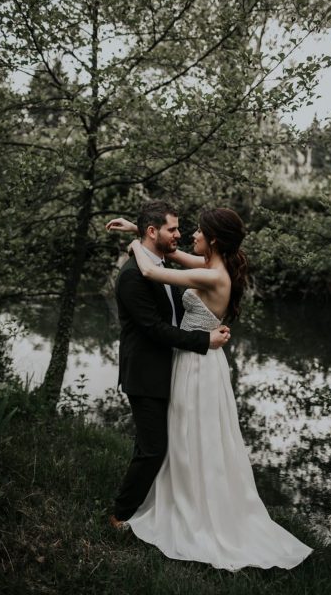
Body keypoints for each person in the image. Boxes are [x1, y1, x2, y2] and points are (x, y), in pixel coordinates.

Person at [109, 206, 313, 571]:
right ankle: (184, 498)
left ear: (214, 239)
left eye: (198, 231)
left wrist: (135, 245)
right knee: (186, 437)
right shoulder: (207, 266)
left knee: (195, 437)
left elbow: (152, 269)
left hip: (199, 364)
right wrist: (137, 231)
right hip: (192, 360)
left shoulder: (212, 276)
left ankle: (199, 508)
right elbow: (168, 253)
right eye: (180, 230)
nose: (191, 236)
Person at [106, 201, 230, 529]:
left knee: (162, 443)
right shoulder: (133, 275)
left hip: (174, 368)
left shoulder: (164, 263)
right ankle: (119, 515)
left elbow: (165, 257)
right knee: (153, 449)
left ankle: (168, 505)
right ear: (153, 231)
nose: (181, 234)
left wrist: (137, 231)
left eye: (181, 228)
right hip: (146, 372)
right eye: (173, 229)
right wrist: (204, 341)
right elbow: (154, 329)